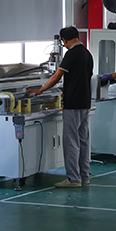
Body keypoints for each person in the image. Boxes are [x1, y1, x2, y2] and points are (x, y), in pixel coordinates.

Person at [27, 26, 93, 188]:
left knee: (71, 142)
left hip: (73, 104)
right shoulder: (87, 54)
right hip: (85, 102)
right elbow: (81, 78)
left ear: (64, 40)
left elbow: (57, 76)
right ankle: (84, 176)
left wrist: (41, 90)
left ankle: (73, 179)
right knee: (83, 141)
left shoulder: (72, 54)